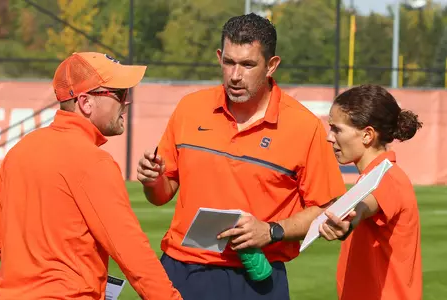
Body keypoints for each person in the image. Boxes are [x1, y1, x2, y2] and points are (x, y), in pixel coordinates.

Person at [136, 13, 346, 300]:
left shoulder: (303, 126)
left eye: (248, 65)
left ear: (272, 65)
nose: (235, 75)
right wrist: (152, 180)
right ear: (220, 56)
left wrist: (271, 231)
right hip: (182, 270)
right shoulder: (190, 108)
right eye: (229, 62)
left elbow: (326, 207)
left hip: (257, 279)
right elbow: (162, 194)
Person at [0, 52, 182, 300]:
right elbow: (132, 253)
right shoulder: (94, 162)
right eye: (119, 94)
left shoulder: (20, 151)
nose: (126, 102)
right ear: (86, 102)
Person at [319, 84, 423, 300]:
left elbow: (366, 204)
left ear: (367, 135)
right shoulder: (373, 176)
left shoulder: (388, 179)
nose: (330, 137)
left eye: (337, 129)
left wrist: (349, 218)